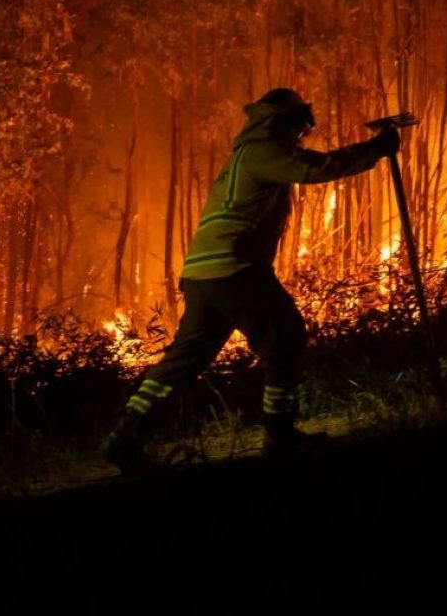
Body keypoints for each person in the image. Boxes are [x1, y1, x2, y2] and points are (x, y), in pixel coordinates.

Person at [103, 89, 398, 472]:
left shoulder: (242, 156)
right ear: (282, 120)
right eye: (298, 124)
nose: (300, 134)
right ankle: (280, 434)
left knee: (184, 361)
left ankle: (125, 437)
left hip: (203, 273)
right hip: (234, 266)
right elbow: (317, 167)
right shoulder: (264, 151)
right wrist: (376, 148)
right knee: (285, 336)